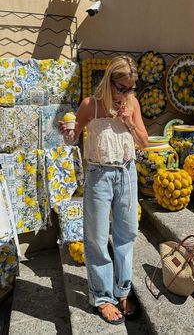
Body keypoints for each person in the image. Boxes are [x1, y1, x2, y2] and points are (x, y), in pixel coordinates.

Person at [59, 55, 148, 325]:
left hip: (127, 173)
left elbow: (144, 142)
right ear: (109, 81)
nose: (126, 94)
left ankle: (122, 291)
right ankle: (102, 297)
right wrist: (67, 133)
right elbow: (71, 139)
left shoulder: (132, 105)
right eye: (122, 88)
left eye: (131, 88)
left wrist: (130, 122)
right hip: (99, 175)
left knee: (127, 233)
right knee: (97, 238)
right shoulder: (90, 105)